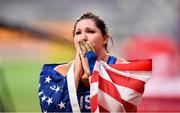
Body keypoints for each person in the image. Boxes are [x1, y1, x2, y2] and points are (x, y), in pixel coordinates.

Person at [38, 12, 152, 112]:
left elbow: (118, 109)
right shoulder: (57, 73)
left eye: (90, 31)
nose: (83, 37)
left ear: (105, 39)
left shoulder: (124, 70)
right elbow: (51, 109)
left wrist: (93, 71)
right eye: (78, 33)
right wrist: (76, 73)